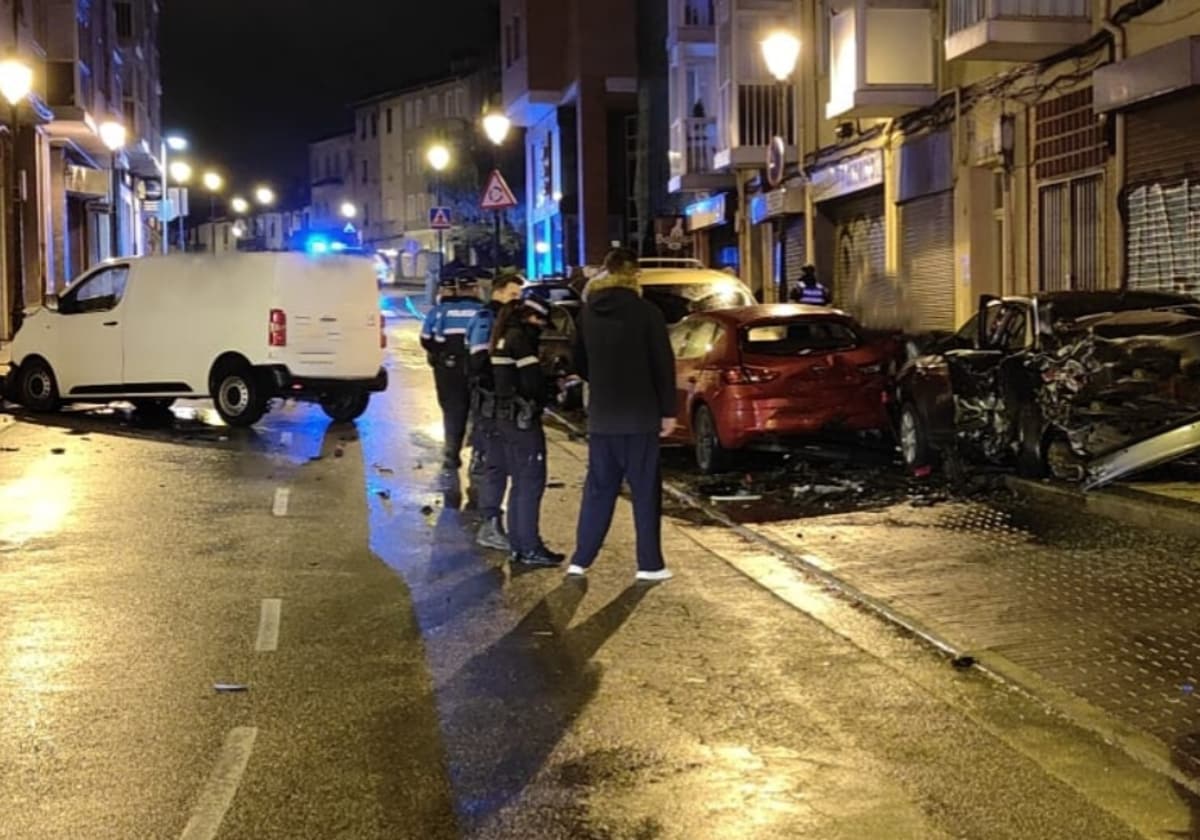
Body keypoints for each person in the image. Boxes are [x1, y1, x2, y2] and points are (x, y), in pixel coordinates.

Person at [567, 248, 676, 582]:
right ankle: (649, 564)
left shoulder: (588, 313)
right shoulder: (647, 313)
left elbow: (579, 361)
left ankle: (581, 559)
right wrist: (668, 412)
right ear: (634, 275)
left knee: (599, 488)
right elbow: (663, 364)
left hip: (602, 416)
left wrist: (600, 382)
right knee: (645, 492)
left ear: (605, 271)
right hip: (640, 416)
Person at [491, 297, 565, 567]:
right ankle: (530, 547)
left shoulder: (501, 336)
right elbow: (531, 383)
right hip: (522, 420)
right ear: (532, 317)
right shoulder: (520, 340)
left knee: (520, 483)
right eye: (541, 322)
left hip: (504, 417)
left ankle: (519, 545)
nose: (542, 328)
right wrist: (551, 384)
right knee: (530, 482)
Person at [466, 272, 526, 551]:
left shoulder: (505, 320)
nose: (518, 300)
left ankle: (492, 522)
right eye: (513, 295)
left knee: (498, 464)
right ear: (498, 293)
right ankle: (489, 525)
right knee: (492, 465)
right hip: (489, 404)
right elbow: (479, 362)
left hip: (499, 404)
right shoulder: (485, 320)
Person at [420, 275, 483, 471]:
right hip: (477, 366)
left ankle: (451, 454)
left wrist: (438, 354)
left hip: (448, 368)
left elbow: (425, 338)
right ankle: (478, 456)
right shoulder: (482, 311)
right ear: (475, 289)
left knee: (453, 410)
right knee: (479, 410)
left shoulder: (440, 312)